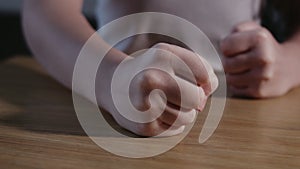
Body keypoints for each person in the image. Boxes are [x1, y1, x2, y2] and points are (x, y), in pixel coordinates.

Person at [22, 0, 300, 136]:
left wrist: (288, 60)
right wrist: (111, 78)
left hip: (248, 117)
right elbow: (43, 10)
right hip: (109, 100)